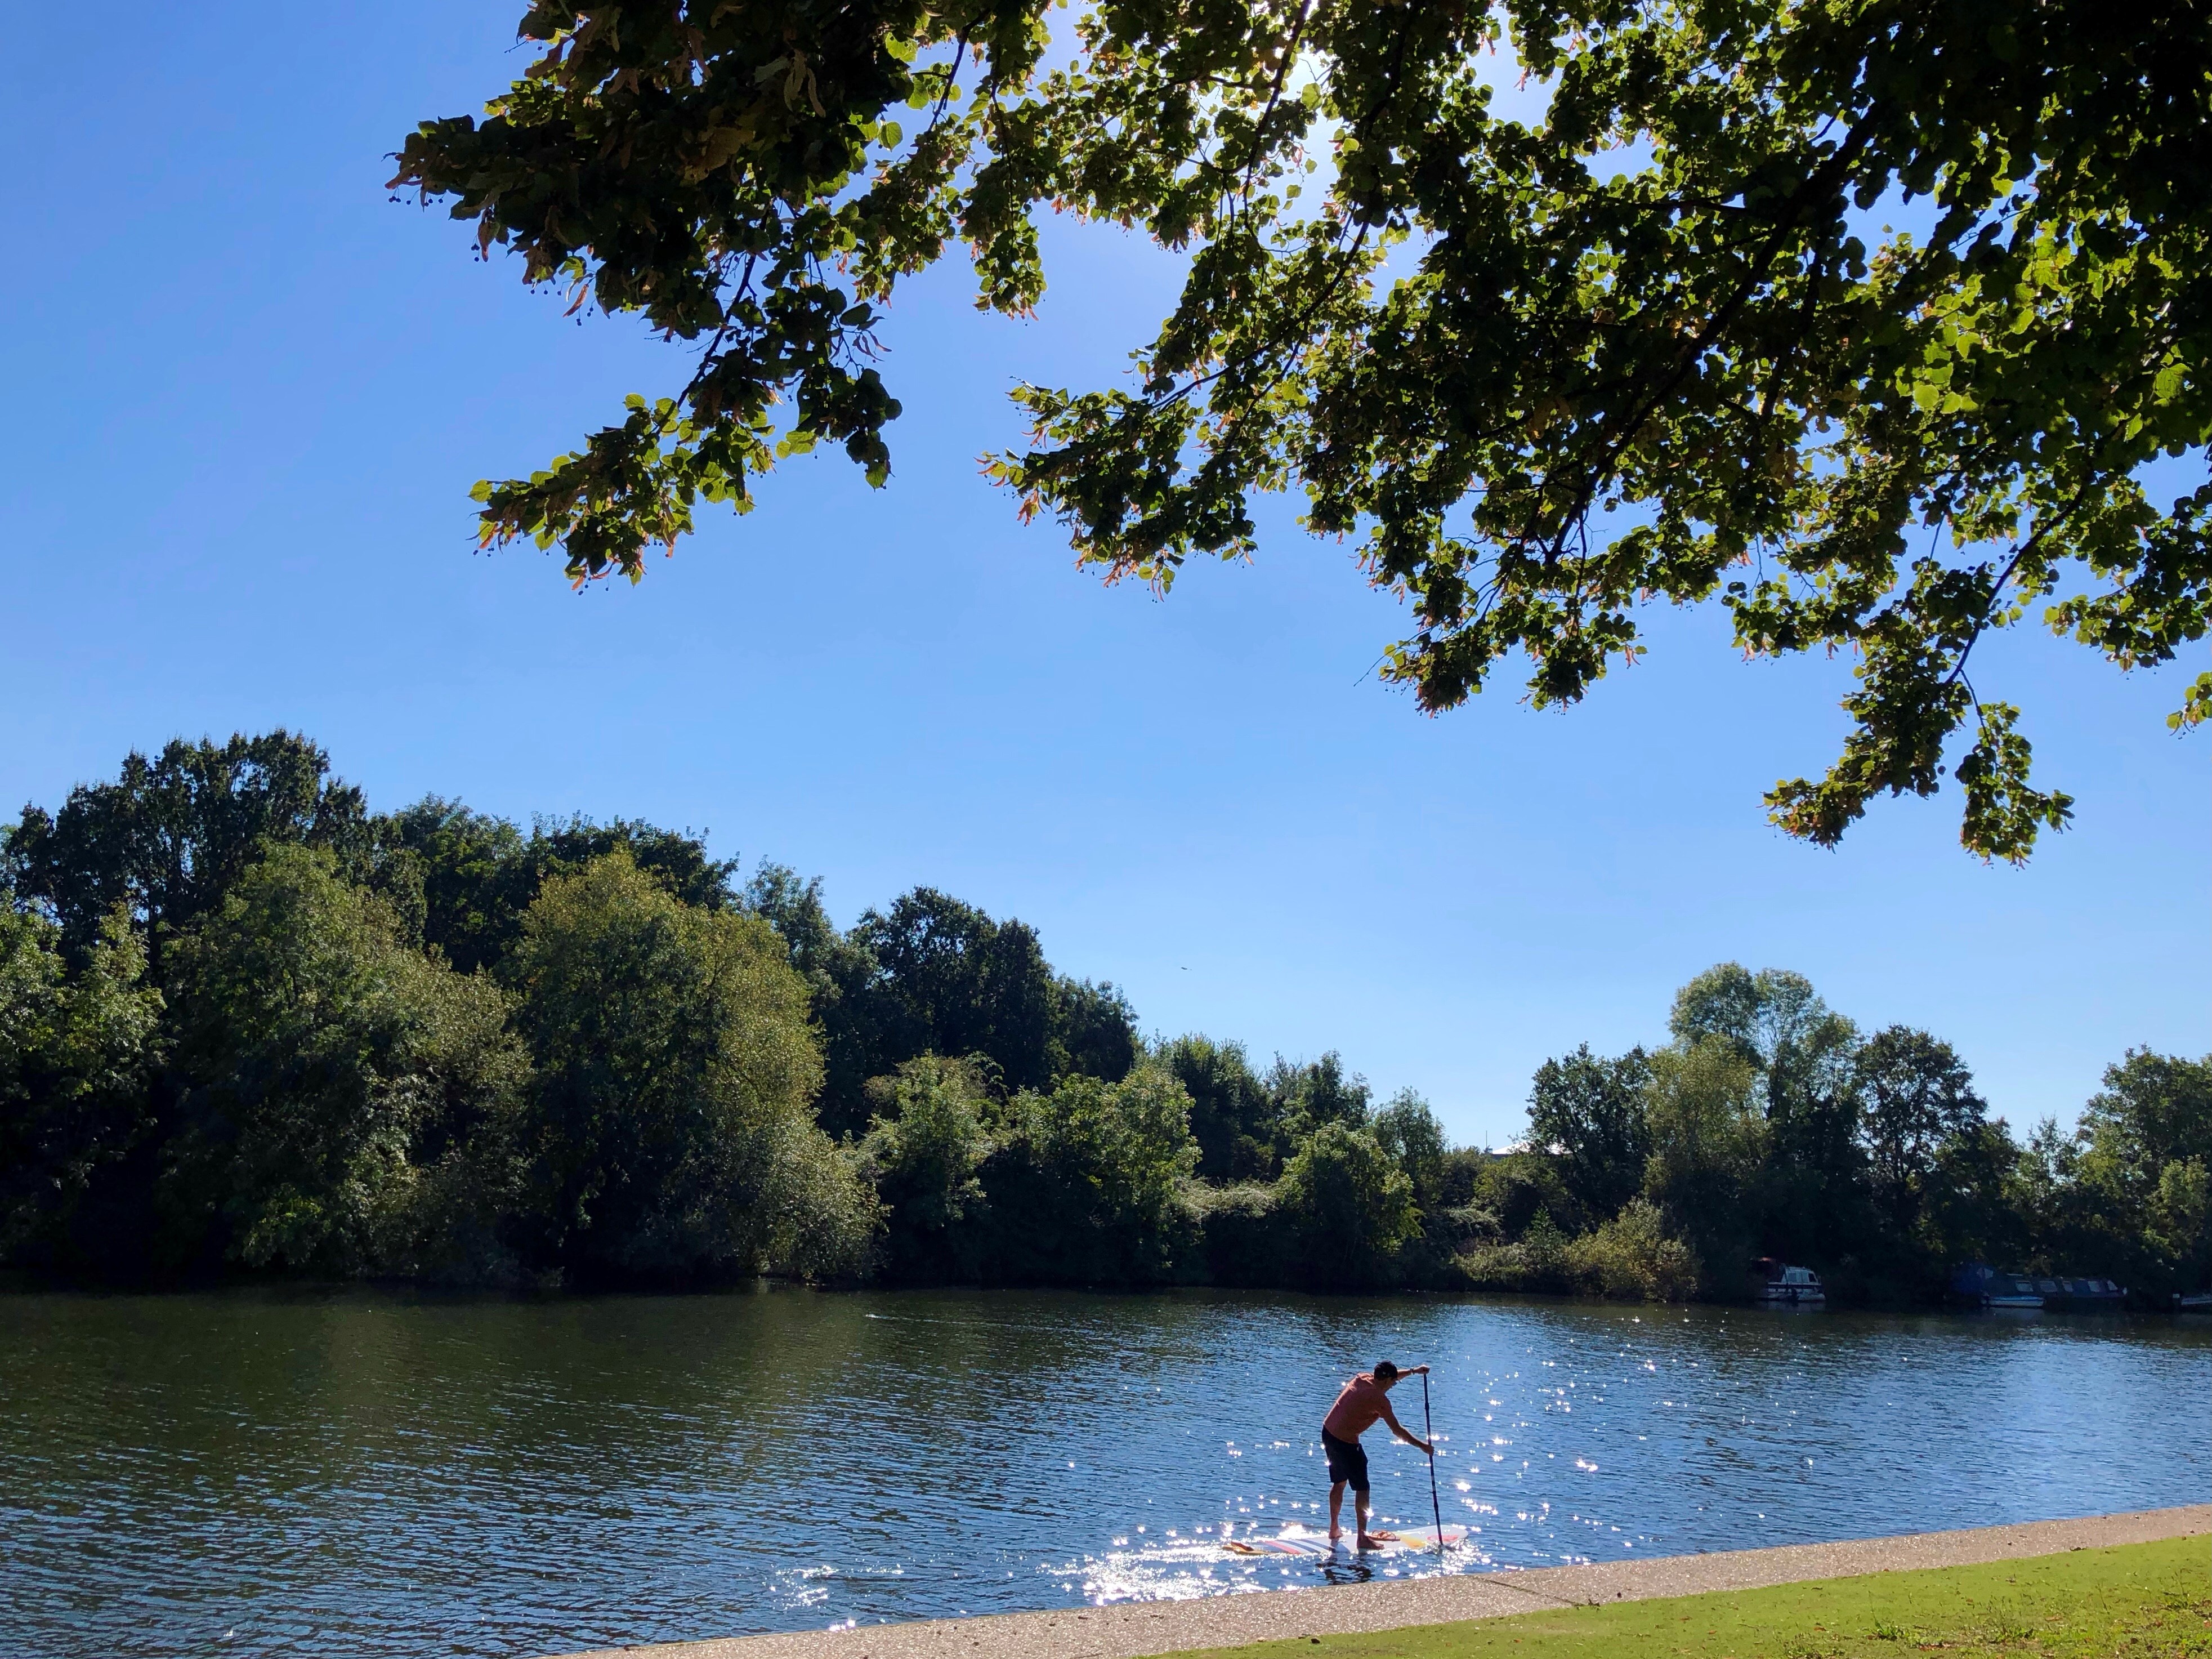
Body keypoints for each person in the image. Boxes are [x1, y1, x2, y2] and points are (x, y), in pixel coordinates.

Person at [1320, 1359, 1433, 1548]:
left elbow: (1393, 1377)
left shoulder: (1362, 1378)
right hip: (1345, 1442)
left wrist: (1414, 1371)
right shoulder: (1380, 1401)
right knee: (1363, 1488)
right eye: (1393, 1383)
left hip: (1329, 1432)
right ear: (1387, 1380)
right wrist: (1422, 1446)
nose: (1393, 1386)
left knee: (1339, 1482)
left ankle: (1334, 1529)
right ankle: (1362, 1538)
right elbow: (1397, 1430)